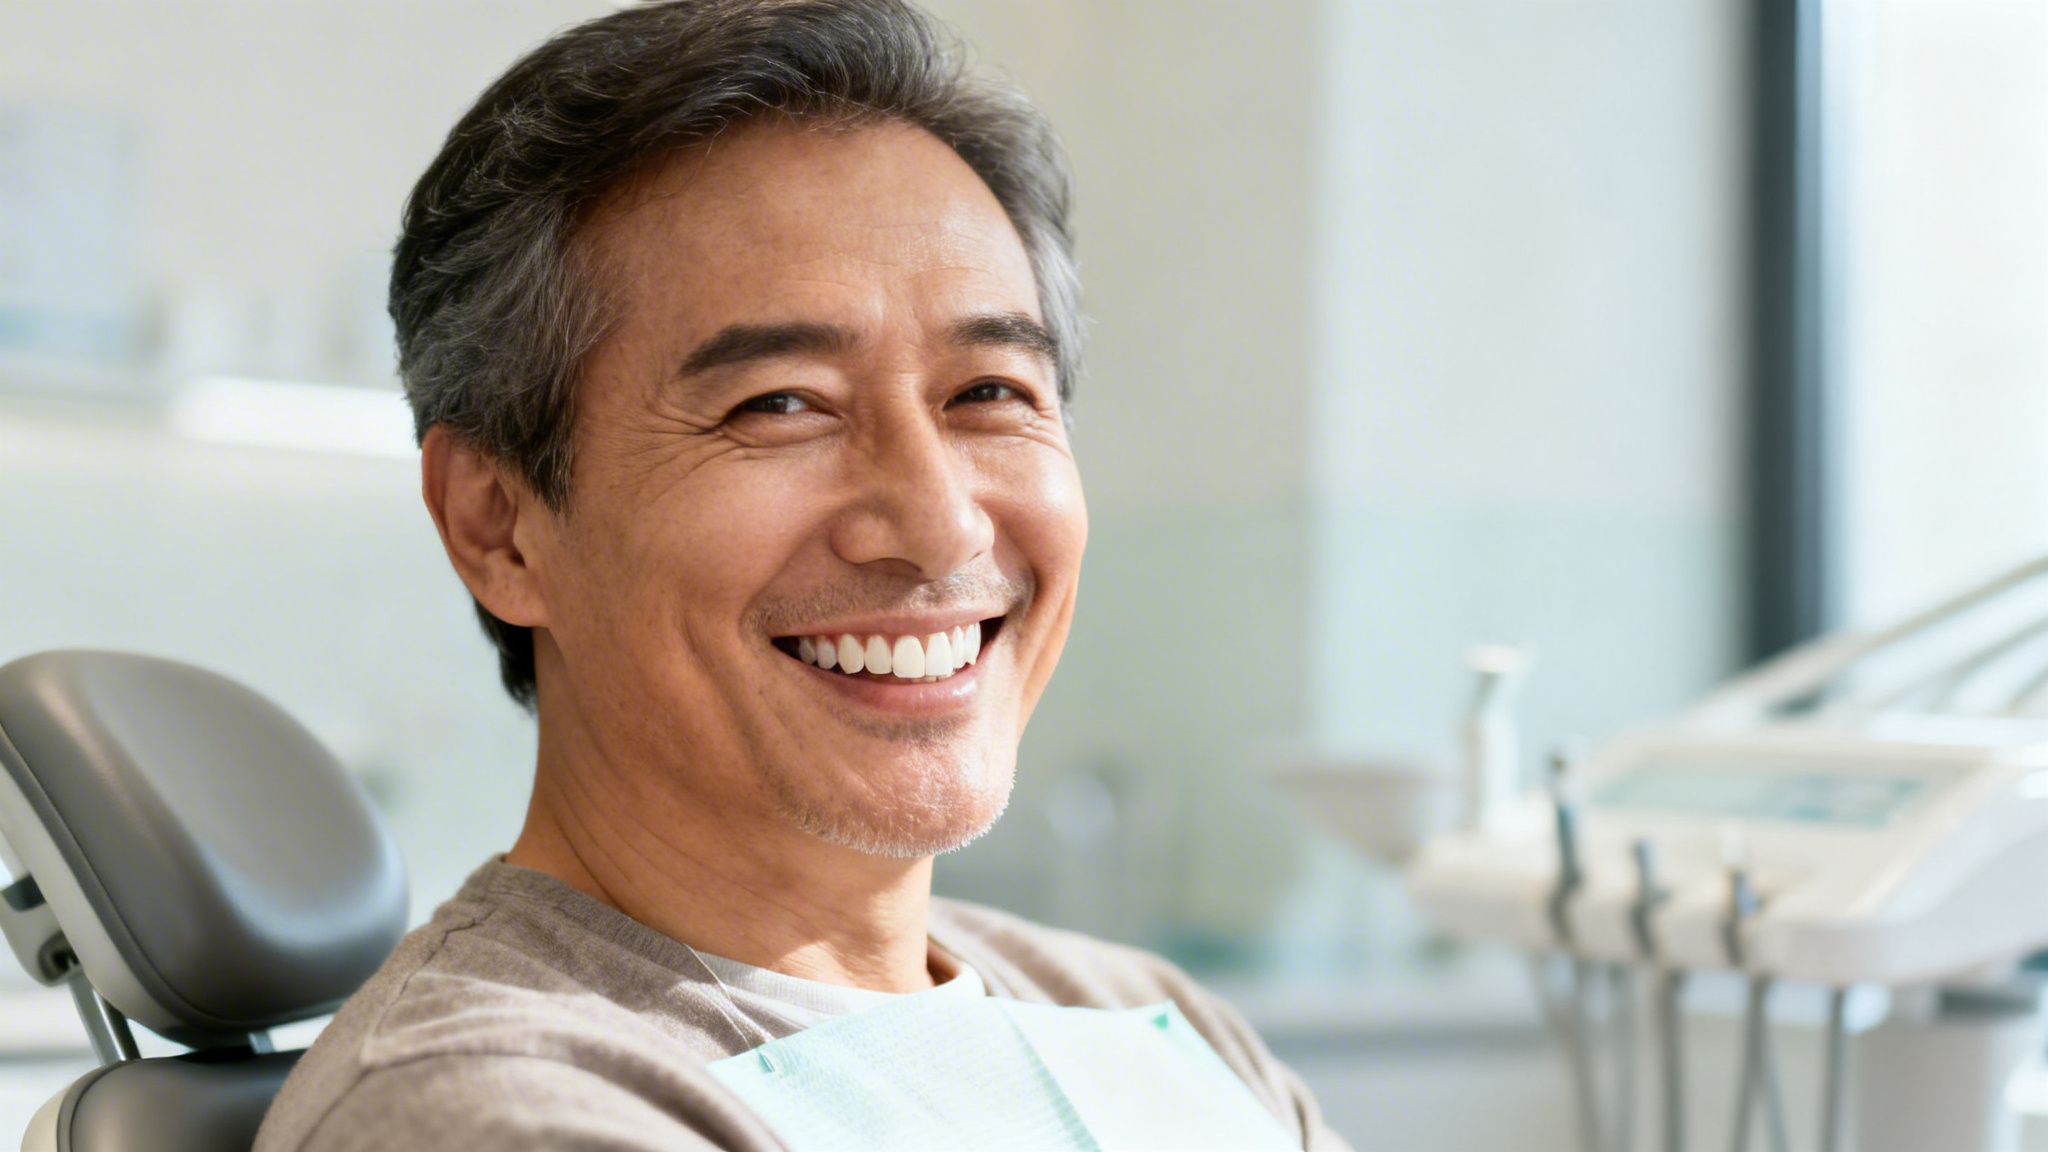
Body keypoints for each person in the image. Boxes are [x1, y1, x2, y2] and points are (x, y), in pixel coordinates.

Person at [256, 1, 1348, 1148]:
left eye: (989, 393)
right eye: (779, 405)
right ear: (500, 528)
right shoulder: (495, 1108)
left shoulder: (1149, 1022)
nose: (935, 526)